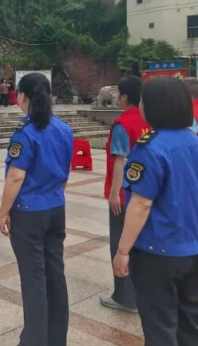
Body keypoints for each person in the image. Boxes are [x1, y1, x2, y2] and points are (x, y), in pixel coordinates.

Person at [113, 77, 198, 346]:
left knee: (160, 325)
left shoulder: (149, 148)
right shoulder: (193, 141)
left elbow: (141, 204)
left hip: (158, 251)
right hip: (193, 247)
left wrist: (122, 251)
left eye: (142, 101)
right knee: (190, 324)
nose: (140, 106)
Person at [0, 73, 73, 346]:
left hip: (29, 212)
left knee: (34, 278)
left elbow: (16, 176)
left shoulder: (26, 132)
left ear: (23, 96)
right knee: (55, 275)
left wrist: (3, 212)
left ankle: (34, 340)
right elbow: (64, 173)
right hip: (55, 208)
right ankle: (56, 339)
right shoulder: (63, 128)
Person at [100, 75, 149, 313]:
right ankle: (142, 294)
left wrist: (114, 193)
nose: (116, 97)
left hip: (125, 195)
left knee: (120, 243)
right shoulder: (149, 120)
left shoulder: (122, 123)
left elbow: (120, 160)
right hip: (146, 192)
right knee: (140, 244)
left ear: (125, 96)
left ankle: (125, 297)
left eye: (118, 93)